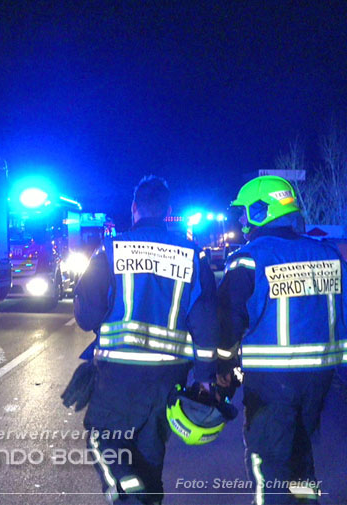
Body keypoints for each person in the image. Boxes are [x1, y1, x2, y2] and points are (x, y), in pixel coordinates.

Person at [70, 175, 220, 504]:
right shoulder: (193, 255)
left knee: (103, 440)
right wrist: (206, 379)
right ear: (168, 211)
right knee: (151, 455)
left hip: (118, 374)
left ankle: (127, 488)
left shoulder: (111, 249)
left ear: (134, 208)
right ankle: (142, 494)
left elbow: (86, 316)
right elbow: (207, 321)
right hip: (170, 378)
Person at [218, 175, 345, 504]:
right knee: (301, 459)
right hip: (321, 380)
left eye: (244, 214)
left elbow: (229, 320)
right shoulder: (329, 255)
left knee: (269, 465)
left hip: (272, 383)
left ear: (262, 210)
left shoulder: (250, 258)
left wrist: (222, 365)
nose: (242, 223)